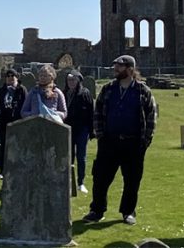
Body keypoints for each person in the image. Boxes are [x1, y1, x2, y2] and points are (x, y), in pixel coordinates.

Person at [82, 55, 156, 226]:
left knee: (132, 180)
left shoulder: (142, 91)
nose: (116, 69)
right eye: (115, 65)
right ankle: (97, 210)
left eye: (120, 66)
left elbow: (151, 116)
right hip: (109, 141)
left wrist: (145, 141)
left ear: (130, 69)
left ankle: (128, 211)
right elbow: (98, 112)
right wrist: (100, 135)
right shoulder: (108, 89)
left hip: (133, 143)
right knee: (101, 177)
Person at [63, 70, 94, 194]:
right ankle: (68, 182)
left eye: (73, 80)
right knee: (68, 156)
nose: (71, 82)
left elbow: (91, 112)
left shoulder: (85, 93)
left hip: (82, 129)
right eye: (69, 80)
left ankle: (81, 182)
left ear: (78, 81)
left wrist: (91, 130)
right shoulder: (64, 93)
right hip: (67, 129)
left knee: (81, 157)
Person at [0, 69, 27, 179]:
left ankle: (18, 168)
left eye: (12, 75)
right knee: (4, 147)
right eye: (8, 75)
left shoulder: (22, 90)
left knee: (18, 147)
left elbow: (25, 105)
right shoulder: (1, 90)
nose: (10, 77)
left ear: (16, 77)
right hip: (4, 123)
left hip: (18, 122)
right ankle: (2, 170)